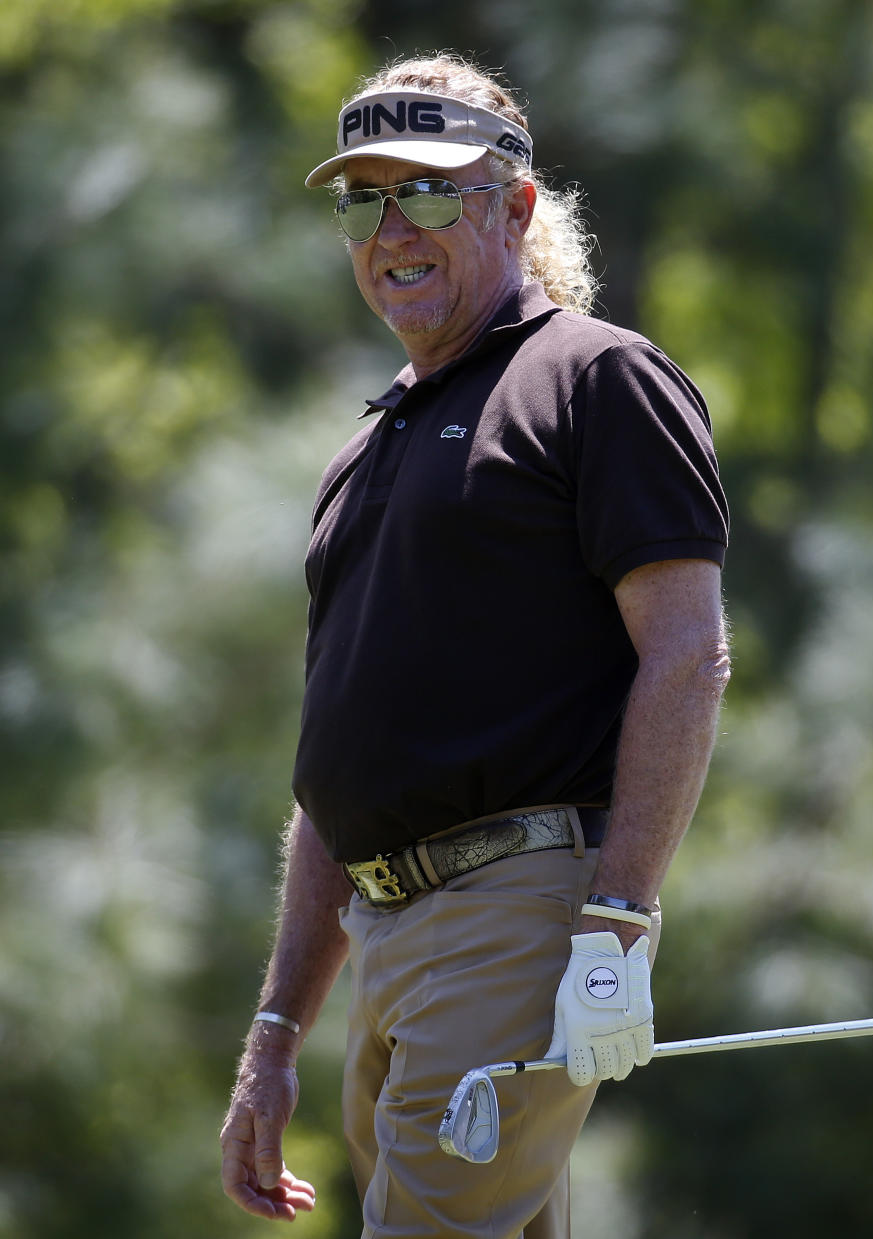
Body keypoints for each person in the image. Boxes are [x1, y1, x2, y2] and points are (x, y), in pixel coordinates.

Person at [220, 51, 730, 1238]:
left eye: (429, 192)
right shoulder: (364, 452)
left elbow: (688, 654)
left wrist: (617, 925)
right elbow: (335, 772)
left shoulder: (596, 378)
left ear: (515, 205)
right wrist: (277, 1030)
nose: (391, 228)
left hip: (516, 913)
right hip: (388, 945)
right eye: (362, 199)